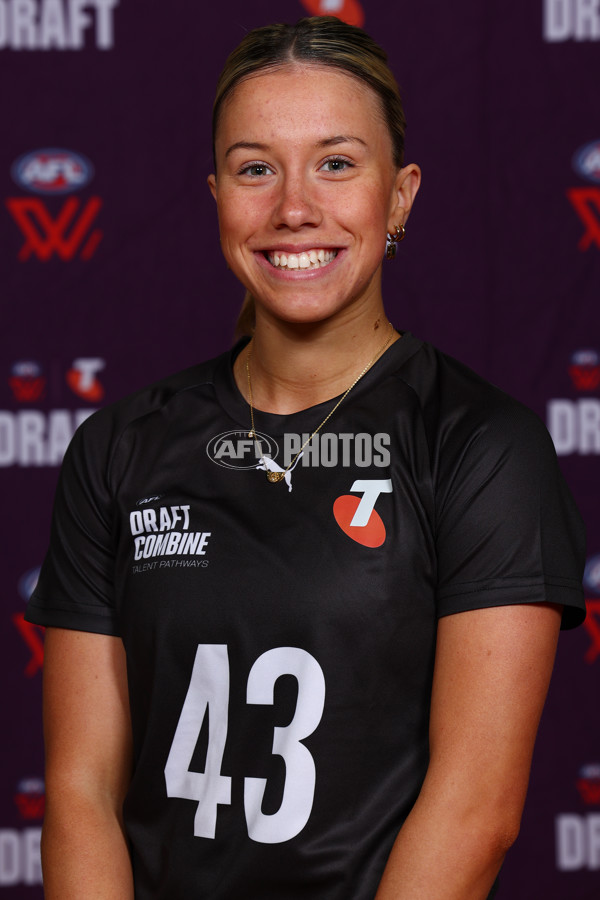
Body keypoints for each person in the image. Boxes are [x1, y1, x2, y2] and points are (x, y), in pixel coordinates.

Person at [26, 16, 585, 900]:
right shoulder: (119, 448)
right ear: (214, 193)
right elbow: (81, 791)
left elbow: (478, 812)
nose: (294, 206)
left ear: (398, 197)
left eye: (336, 163)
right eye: (256, 168)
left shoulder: (479, 447)